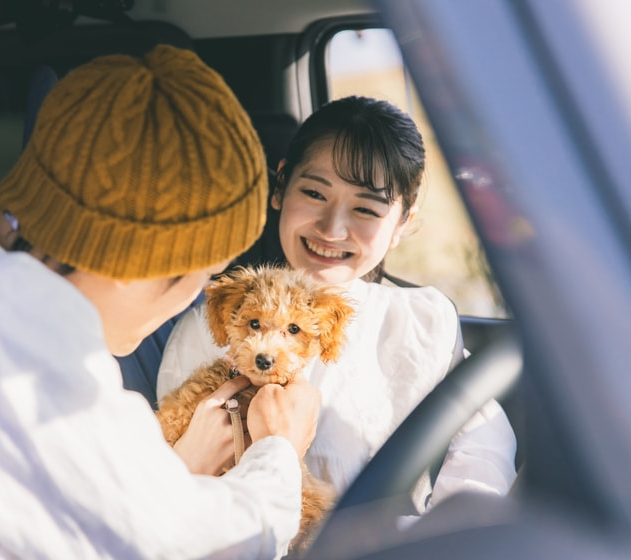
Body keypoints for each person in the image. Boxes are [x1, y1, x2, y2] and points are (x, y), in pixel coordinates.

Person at [0, 45, 323, 559]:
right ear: (145, 262)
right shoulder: (5, 338)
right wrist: (277, 449)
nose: (195, 296)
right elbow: (186, 546)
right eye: (207, 271)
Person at [157, 95, 517, 516]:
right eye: (313, 193)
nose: (333, 228)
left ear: (402, 222)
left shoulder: (423, 323)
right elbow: (172, 481)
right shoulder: (210, 327)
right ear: (280, 187)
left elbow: (479, 466)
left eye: (365, 208)